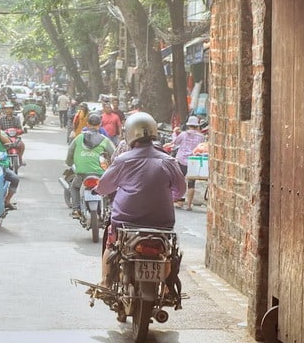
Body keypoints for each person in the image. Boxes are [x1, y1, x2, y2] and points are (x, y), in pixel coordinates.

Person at [96, 111, 186, 301]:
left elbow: (104, 187)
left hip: (126, 220)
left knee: (111, 243)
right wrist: (169, 194)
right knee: (166, 251)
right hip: (162, 221)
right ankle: (168, 287)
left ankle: (104, 283)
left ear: (129, 134)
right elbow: (181, 190)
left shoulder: (122, 160)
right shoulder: (168, 160)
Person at [65, 112, 115, 216]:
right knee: (111, 188)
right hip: (100, 173)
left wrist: (69, 162)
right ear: (100, 124)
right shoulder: (104, 140)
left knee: (74, 187)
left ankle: (76, 209)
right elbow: (114, 154)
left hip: (82, 173)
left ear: (87, 124)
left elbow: (70, 152)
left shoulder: (79, 138)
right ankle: (110, 208)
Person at [171, 115, 207, 210]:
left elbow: (175, 142)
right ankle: (189, 205)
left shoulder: (183, 134)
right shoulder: (201, 137)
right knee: (191, 183)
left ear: (188, 125)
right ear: (197, 125)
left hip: (181, 160)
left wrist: (174, 133)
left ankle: (179, 202)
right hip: (193, 161)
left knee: (180, 181)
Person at [0, 101, 26, 167]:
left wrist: (22, 131)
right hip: (4, 137)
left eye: (10, 108)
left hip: (14, 137)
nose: (8, 110)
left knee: (22, 145)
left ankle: (20, 158)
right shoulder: (1, 119)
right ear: (5, 110)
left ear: (12, 109)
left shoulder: (17, 118)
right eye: (7, 109)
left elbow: (19, 128)